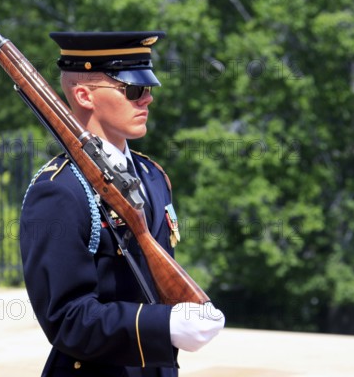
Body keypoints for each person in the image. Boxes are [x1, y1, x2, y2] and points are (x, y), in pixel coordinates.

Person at [19, 31, 225, 376]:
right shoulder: (60, 190)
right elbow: (67, 319)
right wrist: (164, 325)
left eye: (148, 89)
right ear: (84, 95)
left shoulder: (152, 175)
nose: (146, 99)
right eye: (133, 90)